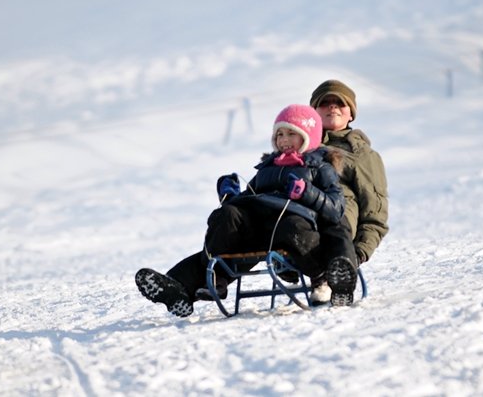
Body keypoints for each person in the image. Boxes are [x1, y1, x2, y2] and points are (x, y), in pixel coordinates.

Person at [136, 104, 346, 317]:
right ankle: (197, 284)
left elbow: (336, 209)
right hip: (258, 230)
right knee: (227, 216)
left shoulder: (320, 167)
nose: (284, 139)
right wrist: (230, 196)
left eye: (292, 133)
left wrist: (306, 192)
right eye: (279, 134)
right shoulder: (267, 168)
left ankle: (321, 279)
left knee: (291, 225)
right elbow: (249, 198)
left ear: (308, 136)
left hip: (292, 230)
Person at [307, 79, 389, 306]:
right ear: (314, 112)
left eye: (339, 103)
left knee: (329, 218)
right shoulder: (298, 144)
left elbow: (375, 211)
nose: (332, 107)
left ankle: (330, 276)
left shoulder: (362, 155)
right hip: (298, 213)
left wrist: (359, 252)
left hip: (338, 216)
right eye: (325, 103)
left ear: (350, 113)